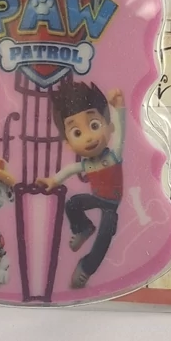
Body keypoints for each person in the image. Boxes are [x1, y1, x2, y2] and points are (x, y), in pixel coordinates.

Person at [36, 81, 125, 289]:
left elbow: (121, 135)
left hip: (111, 205)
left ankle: (86, 268)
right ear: (68, 143)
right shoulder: (87, 164)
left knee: (104, 237)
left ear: (108, 127)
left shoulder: (113, 157)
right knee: (73, 203)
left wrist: (119, 108)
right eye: (77, 133)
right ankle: (83, 228)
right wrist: (53, 181)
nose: (88, 138)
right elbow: (70, 170)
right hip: (96, 198)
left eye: (94, 126)